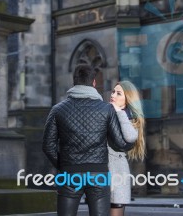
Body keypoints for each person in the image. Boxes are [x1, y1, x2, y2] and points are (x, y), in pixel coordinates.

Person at [42, 64, 135, 216]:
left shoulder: (57, 109)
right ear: (94, 83)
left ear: (74, 82)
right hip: (98, 174)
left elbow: (47, 146)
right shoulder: (106, 109)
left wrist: (63, 165)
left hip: (69, 174)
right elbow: (120, 144)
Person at [108, 80, 145, 216]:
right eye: (113, 91)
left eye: (118, 93)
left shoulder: (129, 119)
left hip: (117, 171)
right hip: (100, 170)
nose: (113, 95)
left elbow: (130, 136)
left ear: (127, 100)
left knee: (116, 210)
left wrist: (119, 111)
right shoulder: (105, 112)